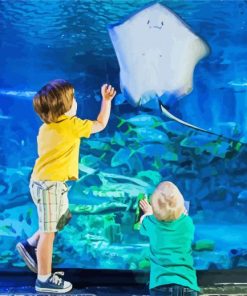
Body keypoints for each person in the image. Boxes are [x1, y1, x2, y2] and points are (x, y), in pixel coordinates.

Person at [16, 79, 116, 293]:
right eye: (73, 99)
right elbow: (101, 123)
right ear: (66, 107)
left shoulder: (46, 127)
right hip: (50, 186)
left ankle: (30, 244)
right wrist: (106, 100)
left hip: (41, 182)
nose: (76, 102)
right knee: (49, 232)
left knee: (62, 218)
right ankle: (43, 279)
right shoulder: (71, 126)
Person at [139, 181, 200, 296]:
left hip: (160, 285)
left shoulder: (151, 223)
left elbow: (142, 223)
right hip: (187, 284)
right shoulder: (188, 222)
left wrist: (148, 213)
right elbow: (182, 223)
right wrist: (182, 216)